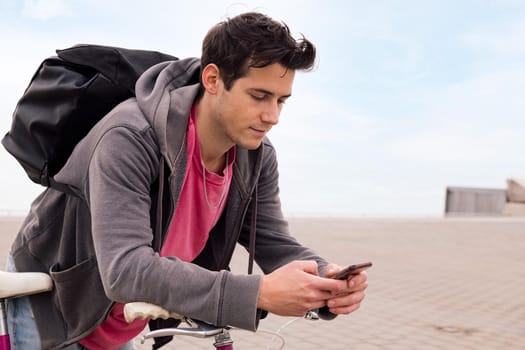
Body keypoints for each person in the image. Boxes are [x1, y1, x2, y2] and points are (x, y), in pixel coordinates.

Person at [6, 11, 368, 350]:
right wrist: (258, 293)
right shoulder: (129, 136)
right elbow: (125, 269)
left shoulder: (255, 153)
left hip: (119, 314)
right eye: (259, 96)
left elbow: (273, 242)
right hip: (54, 299)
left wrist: (325, 278)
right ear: (213, 79)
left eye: (281, 101)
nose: (271, 115)